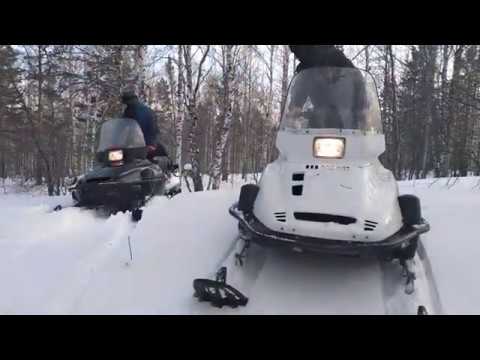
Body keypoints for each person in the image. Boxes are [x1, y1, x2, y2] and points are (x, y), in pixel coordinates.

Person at [121, 90, 170, 162]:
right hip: (130, 144)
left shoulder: (144, 111)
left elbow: (152, 128)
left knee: (151, 162)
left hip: (144, 144)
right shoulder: (127, 111)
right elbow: (122, 126)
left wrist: (151, 143)